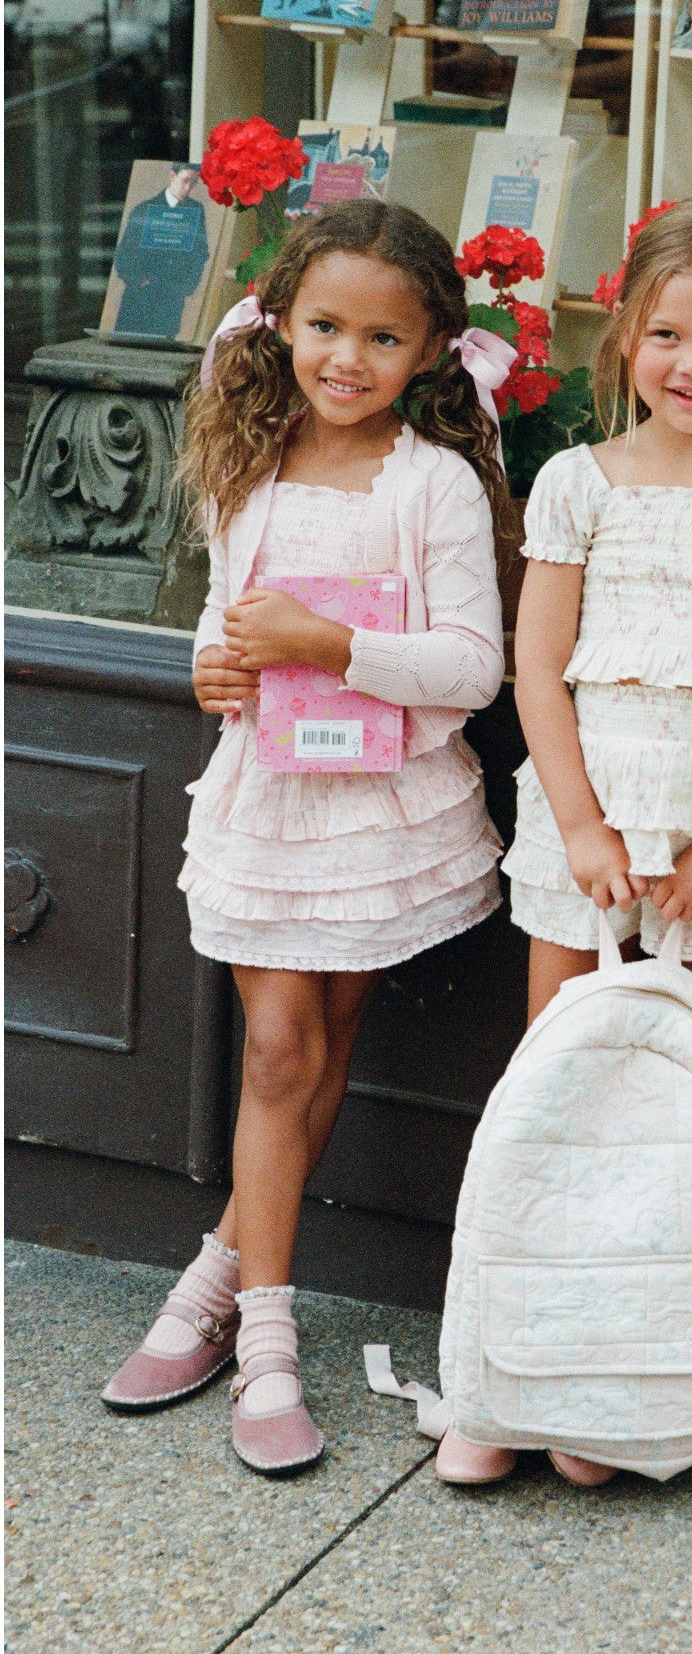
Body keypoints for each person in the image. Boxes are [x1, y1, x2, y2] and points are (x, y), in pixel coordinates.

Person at [433, 196, 692, 1493]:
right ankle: (507, 1377)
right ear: (624, 338)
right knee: (555, 1106)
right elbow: (537, 665)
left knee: (683, 1118)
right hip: (589, 835)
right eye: (668, 335)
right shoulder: (579, 482)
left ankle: (619, 1398)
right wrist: (578, 825)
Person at [100, 202, 518, 1476]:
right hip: (270, 798)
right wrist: (215, 667)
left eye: (383, 338)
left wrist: (329, 645)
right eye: (326, 326)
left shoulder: (436, 483)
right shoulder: (250, 461)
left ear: (432, 349)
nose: (348, 358)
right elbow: (225, 622)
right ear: (280, 322)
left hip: (383, 808)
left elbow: (472, 668)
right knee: (281, 1044)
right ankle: (268, 1343)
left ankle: (214, 1286)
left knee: (315, 1043)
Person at [111, 162, 213, 339]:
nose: (188, 188)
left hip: (170, 303)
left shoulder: (196, 210)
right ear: (173, 175)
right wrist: (138, 280)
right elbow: (124, 254)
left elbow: (200, 253)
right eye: (185, 180)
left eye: (193, 183)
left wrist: (186, 286)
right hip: (138, 301)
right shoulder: (144, 209)